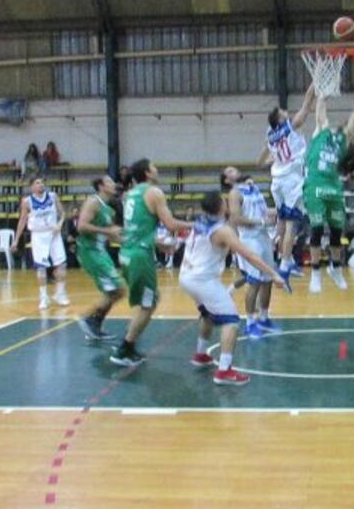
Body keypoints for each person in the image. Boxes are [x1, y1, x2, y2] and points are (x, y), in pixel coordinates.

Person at [180, 191, 286, 386]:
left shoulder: (201, 220)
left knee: (208, 314)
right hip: (202, 280)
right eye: (224, 201)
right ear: (221, 207)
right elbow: (249, 255)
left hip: (186, 276)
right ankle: (224, 371)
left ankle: (201, 354)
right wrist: (273, 274)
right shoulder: (222, 231)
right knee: (232, 321)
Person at [110, 159, 193, 367]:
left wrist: (159, 244)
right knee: (149, 303)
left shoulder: (131, 194)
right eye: (154, 166)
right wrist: (198, 224)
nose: (157, 169)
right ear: (147, 173)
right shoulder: (154, 192)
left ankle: (128, 342)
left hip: (128, 253)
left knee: (145, 302)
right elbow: (171, 224)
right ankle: (125, 348)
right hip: (139, 256)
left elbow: (137, 228)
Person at [304, 75, 354, 293]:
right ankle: (316, 273)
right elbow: (320, 108)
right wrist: (324, 90)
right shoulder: (321, 130)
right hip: (315, 186)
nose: (340, 124)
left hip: (333, 188)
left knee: (338, 232)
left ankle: (335, 268)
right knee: (317, 229)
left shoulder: (344, 139)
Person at [258, 83, 316, 283]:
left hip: (277, 181)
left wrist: (278, 159)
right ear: (280, 119)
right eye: (282, 112)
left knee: (282, 220)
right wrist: (316, 80)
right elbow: (307, 105)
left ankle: (286, 258)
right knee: (292, 222)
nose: (285, 111)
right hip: (291, 180)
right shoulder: (289, 126)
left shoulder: (270, 135)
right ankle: (284, 263)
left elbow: (260, 161)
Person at [225, 167, 281, 339]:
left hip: (263, 236)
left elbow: (264, 211)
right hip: (249, 240)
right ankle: (250, 323)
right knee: (254, 282)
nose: (235, 170)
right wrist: (261, 221)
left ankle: (264, 317)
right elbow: (236, 218)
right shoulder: (234, 193)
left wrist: (280, 211)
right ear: (227, 180)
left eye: (235, 169)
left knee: (268, 281)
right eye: (230, 171)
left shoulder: (254, 188)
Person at [75, 175, 125, 341]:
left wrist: (133, 242)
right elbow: (81, 226)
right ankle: (88, 318)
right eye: (110, 182)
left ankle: (94, 323)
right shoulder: (93, 202)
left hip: (100, 252)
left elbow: (113, 235)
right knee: (118, 290)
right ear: (101, 186)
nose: (114, 184)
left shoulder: (108, 208)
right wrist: (107, 232)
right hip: (90, 252)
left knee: (115, 291)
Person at [12, 176, 70, 310]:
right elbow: (22, 221)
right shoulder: (27, 202)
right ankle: (44, 297)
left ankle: (60, 293)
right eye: (37, 183)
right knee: (41, 267)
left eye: (42, 182)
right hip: (38, 235)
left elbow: (62, 214)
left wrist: (60, 225)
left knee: (62, 264)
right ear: (31, 186)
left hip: (53, 233)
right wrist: (16, 240)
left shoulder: (53, 196)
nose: (41, 185)